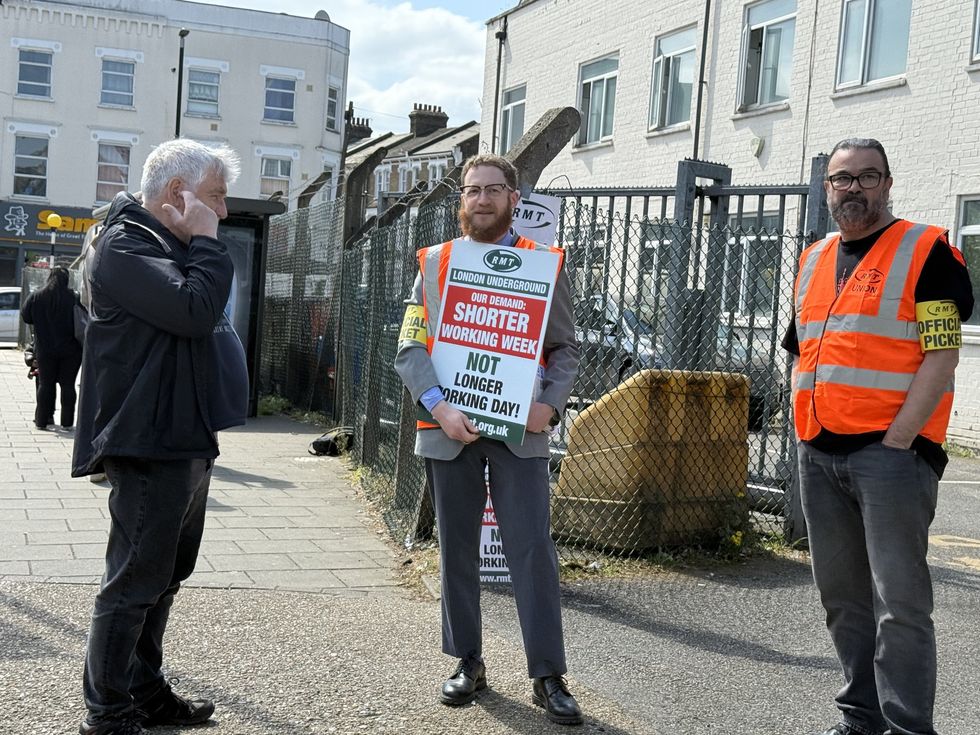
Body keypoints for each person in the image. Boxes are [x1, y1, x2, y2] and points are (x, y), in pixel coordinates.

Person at [784, 138, 974, 735]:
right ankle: (860, 716)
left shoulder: (929, 251)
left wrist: (899, 440)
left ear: (888, 183)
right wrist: (802, 429)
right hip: (818, 450)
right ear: (827, 189)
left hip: (888, 456)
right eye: (842, 178)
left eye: (867, 177)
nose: (854, 188)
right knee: (842, 596)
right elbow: (800, 352)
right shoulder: (813, 258)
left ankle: (909, 726)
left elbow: (941, 357)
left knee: (902, 604)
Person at [394, 154, 583, 726]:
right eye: (472, 190)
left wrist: (547, 405)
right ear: (462, 201)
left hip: (520, 432)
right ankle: (467, 661)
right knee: (456, 548)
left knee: (531, 551)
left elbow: (566, 349)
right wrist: (440, 407)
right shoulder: (434, 264)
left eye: (493, 190)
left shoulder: (544, 265)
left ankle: (547, 674)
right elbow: (410, 348)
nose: (481, 199)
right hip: (448, 429)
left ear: (514, 199)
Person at [72, 139, 249, 735]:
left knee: (165, 574)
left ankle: (144, 691)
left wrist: (198, 242)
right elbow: (195, 310)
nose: (222, 212)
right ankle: (108, 712)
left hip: (181, 434)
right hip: (149, 438)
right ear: (179, 193)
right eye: (216, 198)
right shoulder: (126, 245)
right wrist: (206, 243)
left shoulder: (161, 243)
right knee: (133, 581)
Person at [20, 266, 84, 431]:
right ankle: (67, 422)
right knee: (68, 385)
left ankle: (42, 421)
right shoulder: (74, 297)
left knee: (45, 384)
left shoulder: (36, 296)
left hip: (44, 349)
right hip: (71, 350)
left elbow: (26, 316)